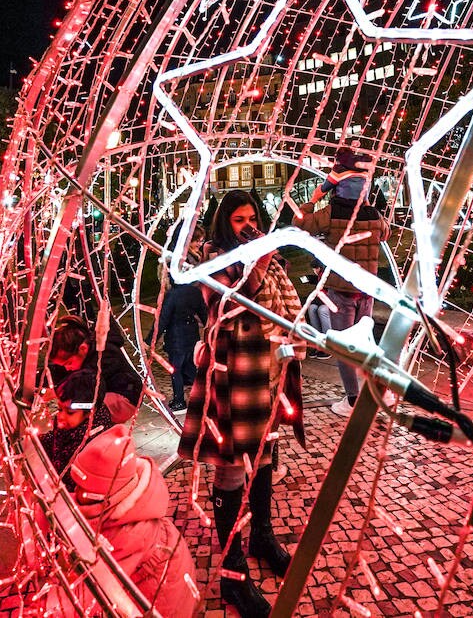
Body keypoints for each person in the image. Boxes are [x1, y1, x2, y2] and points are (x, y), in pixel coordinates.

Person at [178, 189, 304, 618]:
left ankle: (262, 537)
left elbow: (284, 309)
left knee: (265, 452)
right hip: (232, 370)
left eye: (252, 218)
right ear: (223, 224)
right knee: (230, 463)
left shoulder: (263, 252)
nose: (247, 226)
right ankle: (233, 573)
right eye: (238, 220)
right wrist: (258, 263)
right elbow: (227, 307)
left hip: (266, 367)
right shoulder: (211, 258)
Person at [69, 425, 199, 618]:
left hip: (161, 607)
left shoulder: (130, 534)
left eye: (87, 492)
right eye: (77, 486)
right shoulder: (127, 504)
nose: (77, 495)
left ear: (109, 497)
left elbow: (94, 587)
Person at [298, 151, 388, 418]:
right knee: (364, 344)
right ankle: (373, 394)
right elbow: (386, 233)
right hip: (367, 291)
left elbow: (299, 224)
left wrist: (313, 200)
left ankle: (352, 400)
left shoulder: (330, 212)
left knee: (343, 348)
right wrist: (367, 203)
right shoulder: (373, 214)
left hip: (341, 292)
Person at [49, 314, 144, 423]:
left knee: (79, 411)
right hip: (107, 395)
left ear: (83, 348)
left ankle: (82, 435)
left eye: (68, 363)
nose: (67, 368)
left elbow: (86, 389)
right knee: (75, 408)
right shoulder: (86, 353)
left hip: (125, 399)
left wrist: (57, 391)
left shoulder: (102, 358)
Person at [41, 367, 114, 483]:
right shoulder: (71, 422)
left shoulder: (92, 444)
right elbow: (57, 440)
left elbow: (77, 481)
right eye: (60, 409)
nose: (61, 416)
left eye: (70, 412)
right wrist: (41, 440)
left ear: (90, 411)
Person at [154, 277, 203, 411]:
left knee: (176, 370)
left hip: (176, 338)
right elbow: (203, 312)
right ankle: (204, 395)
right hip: (191, 335)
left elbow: (163, 319)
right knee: (190, 368)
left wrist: (151, 340)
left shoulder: (172, 295)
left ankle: (179, 400)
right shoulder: (194, 292)